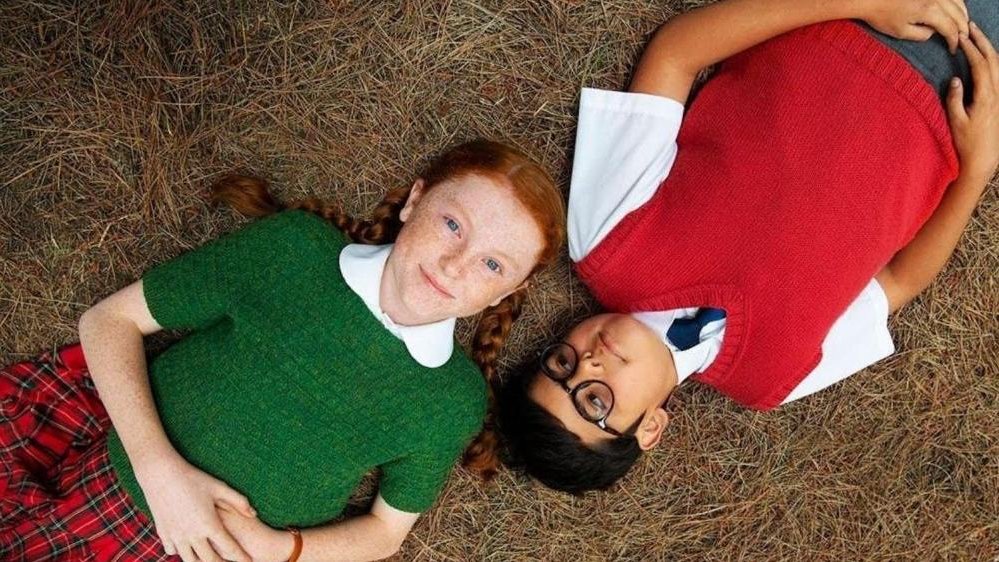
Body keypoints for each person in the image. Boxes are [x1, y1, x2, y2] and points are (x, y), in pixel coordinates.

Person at [499, 0, 998, 493]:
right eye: (594, 403)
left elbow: (676, 55)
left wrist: (859, 4)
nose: (587, 364)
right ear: (649, 427)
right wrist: (978, 168)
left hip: (841, 22)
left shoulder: (607, 242)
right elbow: (899, 281)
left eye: (561, 364)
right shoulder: (770, 379)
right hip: (961, 90)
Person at [0, 139, 566, 561]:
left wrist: (280, 550)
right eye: (452, 224)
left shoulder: (453, 399)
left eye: (493, 264)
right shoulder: (295, 252)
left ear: (508, 291)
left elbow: (386, 532)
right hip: (111, 479)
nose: (455, 265)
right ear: (414, 201)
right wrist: (160, 473)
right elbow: (108, 321)